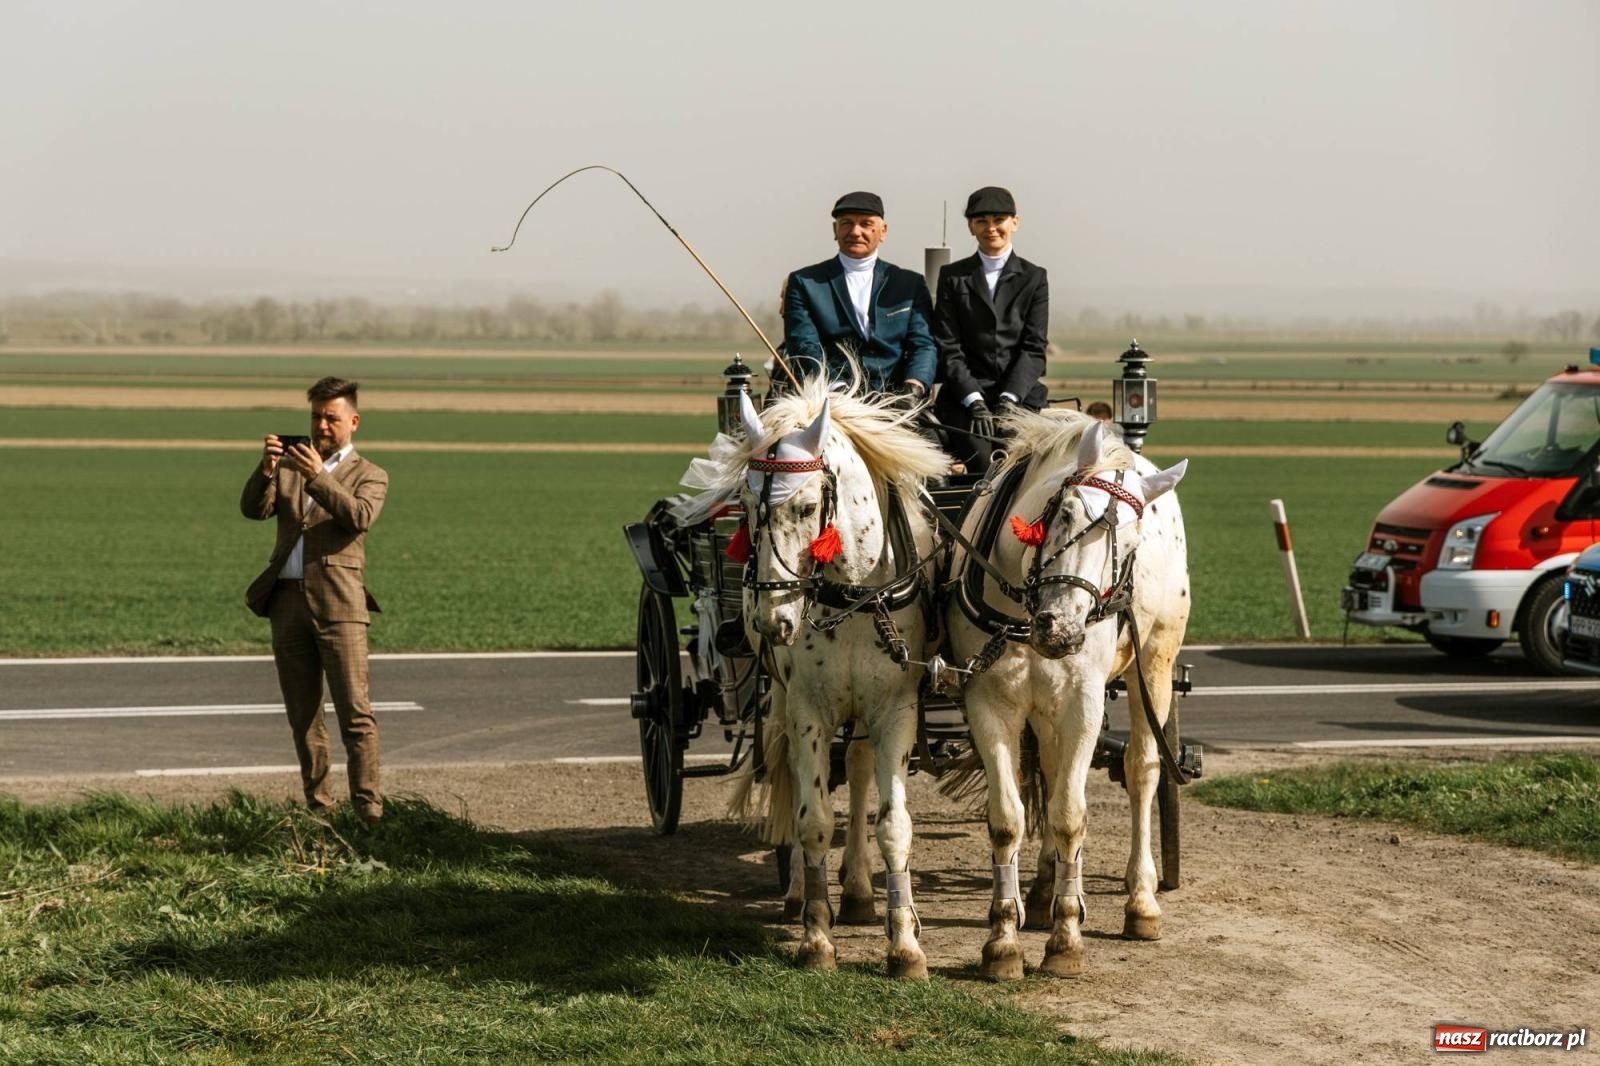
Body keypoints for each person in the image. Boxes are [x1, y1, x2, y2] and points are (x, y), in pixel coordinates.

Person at [241, 377, 390, 824]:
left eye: (331, 418)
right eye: (316, 417)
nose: (322, 426)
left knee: (355, 714)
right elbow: (253, 510)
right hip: (286, 603)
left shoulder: (370, 474)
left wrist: (318, 477)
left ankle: (368, 812)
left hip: (340, 606)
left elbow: (359, 516)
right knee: (303, 715)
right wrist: (266, 470)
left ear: (353, 422)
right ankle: (320, 809)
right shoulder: (289, 467)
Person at [932, 186, 1050, 472]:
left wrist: (1009, 399)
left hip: (1019, 397)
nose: (991, 228)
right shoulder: (952, 277)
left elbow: (1034, 348)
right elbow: (948, 347)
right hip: (965, 399)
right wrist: (974, 400)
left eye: (999, 220)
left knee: (1022, 466)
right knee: (984, 464)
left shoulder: (1034, 277)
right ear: (971, 227)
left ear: (1014, 223)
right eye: (982, 221)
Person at [781, 191, 937, 398]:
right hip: (832, 397)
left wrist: (914, 387)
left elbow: (924, 344)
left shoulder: (909, 283)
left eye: (866, 224)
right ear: (835, 229)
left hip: (898, 400)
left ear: (883, 231)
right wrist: (835, 389)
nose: (855, 232)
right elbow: (803, 344)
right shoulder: (805, 282)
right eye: (846, 223)